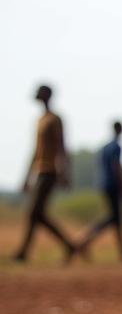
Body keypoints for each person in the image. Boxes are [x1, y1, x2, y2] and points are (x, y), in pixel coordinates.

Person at [12, 85, 76, 264]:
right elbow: (35, 150)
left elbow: (61, 147)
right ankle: (69, 246)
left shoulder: (55, 120)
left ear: (46, 95)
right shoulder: (40, 119)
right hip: (39, 170)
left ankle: (23, 253)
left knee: (34, 213)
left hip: (50, 171)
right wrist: (26, 176)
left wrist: (64, 172)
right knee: (38, 215)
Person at [79, 120, 122, 261]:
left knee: (115, 219)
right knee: (113, 218)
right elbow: (116, 168)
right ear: (120, 130)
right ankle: (84, 240)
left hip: (104, 185)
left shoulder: (104, 147)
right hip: (113, 185)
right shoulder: (116, 147)